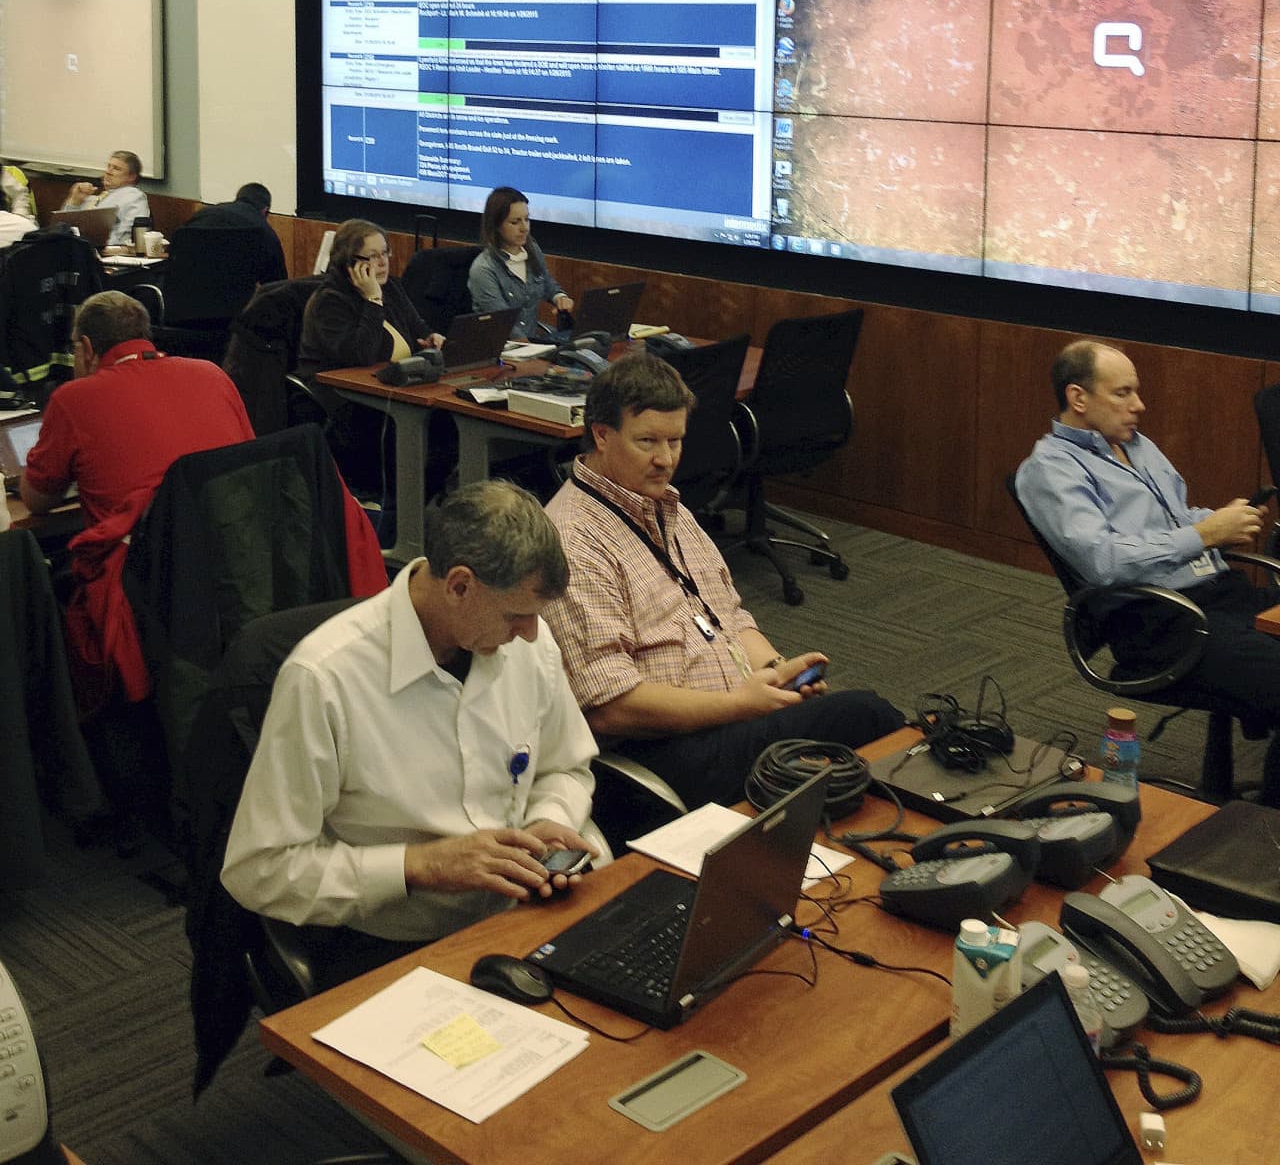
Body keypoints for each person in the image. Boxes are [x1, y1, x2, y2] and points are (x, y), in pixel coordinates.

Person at [221, 480, 600, 981]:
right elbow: (260, 869)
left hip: (521, 913)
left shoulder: (526, 642)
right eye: (517, 615)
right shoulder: (325, 678)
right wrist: (419, 866)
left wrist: (545, 819)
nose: (530, 634)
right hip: (397, 940)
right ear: (459, 585)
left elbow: (565, 765)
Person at [542, 352, 902, 808]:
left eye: (675, 441)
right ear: (602, 434)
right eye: (648, 441)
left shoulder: (667, 506)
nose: (665, 459)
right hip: (665, 751)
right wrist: (742, 705)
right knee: (865, 716)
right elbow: (611, 707)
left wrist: (776, 674)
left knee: (848, 753)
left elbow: (727, 617)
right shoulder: (574, 541)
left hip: (731, 715)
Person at [20, 290, 254, 839]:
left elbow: (35, 501)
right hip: (233, 571)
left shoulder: (76, 398)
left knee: (45, 584)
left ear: (84, 346)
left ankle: (80, 776)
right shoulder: (213, 375)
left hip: (141, 586)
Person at [1015, 339, 1280, 743]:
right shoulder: (1051, 469)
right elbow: (1102, 562)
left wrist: (1221, 521)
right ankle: (1266, 806)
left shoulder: (1137, 444)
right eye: (1123, 393)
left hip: (1220, 595)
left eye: (1135, 391)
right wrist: (1205, 534)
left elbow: (1176, 520)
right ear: (1078, 397)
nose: (1139, 405)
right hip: (1158, 620)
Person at [298, 218, 447, 496]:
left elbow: (419, 329)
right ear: (350, 262)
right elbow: (362, 356)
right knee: (428, 435)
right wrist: (372, 301)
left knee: (446, 425)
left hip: (397, 391)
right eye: (373, 256)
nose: (383, 262)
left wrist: (432, 339)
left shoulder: (392, 288)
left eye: (385, 253)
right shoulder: (330, 301)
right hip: (350, 405)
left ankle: (426, 506)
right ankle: (403, 516)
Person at [467, 185, 573, 340]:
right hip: (503, 349)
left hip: (530, 346)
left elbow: (548, 285)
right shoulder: (483, 269)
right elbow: (504, 324)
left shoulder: (532, 251)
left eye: (527, 219)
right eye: (515, 222)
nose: (524, 228)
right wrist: (538, 349)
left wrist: (559, 297)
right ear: (496, 225)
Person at [174, 181, 286, 285]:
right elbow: (277, 286)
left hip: (184, 292)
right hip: (235, 301)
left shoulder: (203, 214)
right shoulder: (265, 233)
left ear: (238, 199)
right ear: (265, 211)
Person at [60, 150, 150, 252]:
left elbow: (129, 236)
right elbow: (61, 227)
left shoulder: (133, 196)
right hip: (72, 251)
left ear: (132, 177)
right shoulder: (93, 198)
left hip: (103, 254)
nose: (108, 171)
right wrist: (74, 201)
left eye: (116, 168)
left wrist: (102, 250)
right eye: (109, 166)